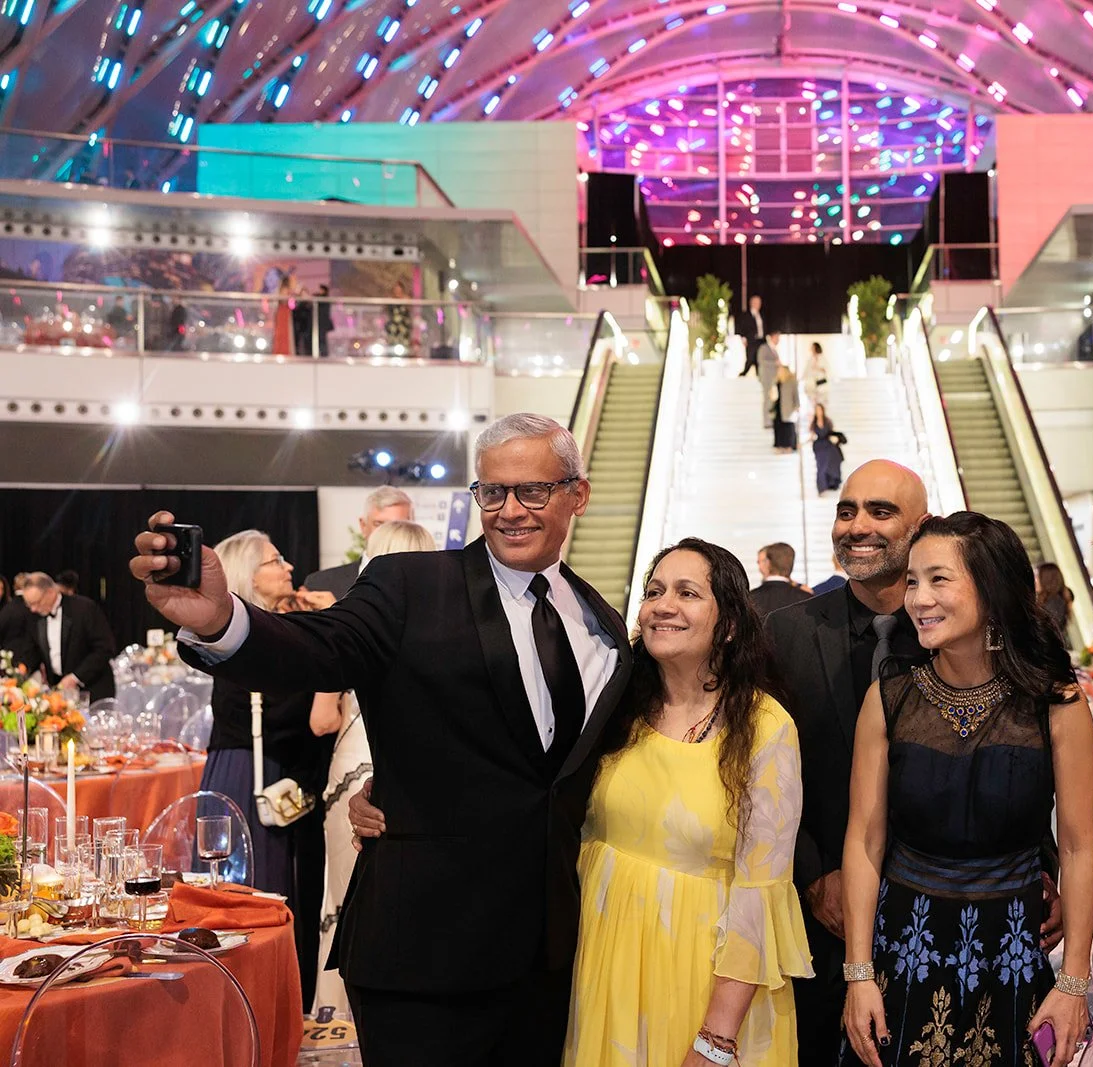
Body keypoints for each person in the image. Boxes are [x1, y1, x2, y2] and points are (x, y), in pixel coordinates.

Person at [131, 412, 634, 1066]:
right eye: (493, 492)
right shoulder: (410, 586)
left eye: (532, 490)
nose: (511, 510)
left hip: (546, 961)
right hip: (421, 955)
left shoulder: (602, 625)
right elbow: (320, 646)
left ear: (578, 494)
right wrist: (224, 622)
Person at [765, 462, 1065, 1066]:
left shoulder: (963, 632)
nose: (857, 526)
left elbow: (1029, 753)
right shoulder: (782, 635)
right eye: (846, 510)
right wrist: (813, 875)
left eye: (881, 511)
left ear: (922, 526)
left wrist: (1042, 864)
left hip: (973, 919)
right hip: (821, 925)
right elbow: (762, 779)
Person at [839, 511, 1093, 1066]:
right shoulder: (888, 700)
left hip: (1012, 951)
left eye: (938, 579)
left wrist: (1074, 981)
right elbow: (864, 842)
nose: (918, 597)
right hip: (902, 950)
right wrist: (858, 974)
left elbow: (1078, 847)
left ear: (992, 587)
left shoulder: (1057, 703)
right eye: (912, 580)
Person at [564, 537, 811, 1064]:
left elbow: (759, 894)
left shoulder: (765, 727)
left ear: (727, 625)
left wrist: (716, 1040)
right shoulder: (613, 707)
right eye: (654, 591)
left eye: (687, 592)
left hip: (702, 982)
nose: (663, 605)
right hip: (603, 965)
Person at [204, 530, 334, 1008]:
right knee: (255, 897)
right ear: (247, 575)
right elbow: (286, 716)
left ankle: (280, 1009)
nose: (289, 568)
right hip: (253, 778)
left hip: (273, 775)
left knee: (282, 897)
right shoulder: (243, 636)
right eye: (276, 561)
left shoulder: (277, 626)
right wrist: (328, 660)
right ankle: (252, 1009)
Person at [312, 519, 436, 1017]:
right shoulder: (444, 633)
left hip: (351, 767)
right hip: (417, 776)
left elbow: (321, 718)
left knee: (347, 900)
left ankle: (339, 1019)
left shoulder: (354, 626)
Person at [12, 572, 116, 702]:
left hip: (94, 689)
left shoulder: (84, 609)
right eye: (29, 604)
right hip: (60, 694)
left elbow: (105, 648)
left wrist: (75, 677)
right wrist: (20, 672)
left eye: (36, 602)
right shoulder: (35, 616)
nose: (33, 609)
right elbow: (33, 652)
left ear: (50, 592)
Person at [303, 487, 415, 600]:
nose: (386, 533)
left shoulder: (426, 582)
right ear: (363, 526)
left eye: (397, 525)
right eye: (379, 524)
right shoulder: (321, 583)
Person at [752, 543, 812, 617]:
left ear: (768, 563)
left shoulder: (750, 598)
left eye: (759, 562)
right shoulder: (806, 598)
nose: (759, 566)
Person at [1034, 561, 1075, 651]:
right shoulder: (1052, 601)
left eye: (1037, 576)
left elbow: (1045, 632)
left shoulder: (1055, 603)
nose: (1035, 580)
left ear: (1046, 579)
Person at [811, 403, 844, 495]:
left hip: (828, 446)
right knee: (820, 466)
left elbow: (832, 432)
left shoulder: (828, 421)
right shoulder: (814, 422)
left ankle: (828, 484)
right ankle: (821, 487)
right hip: (819, 446)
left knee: (828, 466)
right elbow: (812, 435)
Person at [737, 294, 767, 377]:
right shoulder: (746, 315)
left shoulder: (761, 315)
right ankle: (743, 374)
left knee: (760, 359)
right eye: (757, 303)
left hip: (761, 341)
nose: (759, 305)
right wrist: (743, 338)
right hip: (751, 340)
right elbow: (741, 327)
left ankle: (759, 376)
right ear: (752, 303)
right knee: (750, 358)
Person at [772, 364, 799, 452]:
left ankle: (789, 446)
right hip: (778, 408)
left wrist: (796, 406)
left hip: (788, 408)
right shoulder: (777, 381)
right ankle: (780, 446)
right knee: (779, 427)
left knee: (788, 428)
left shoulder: (791, 381)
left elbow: (796, 395)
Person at [758, 332, 781, 430]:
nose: (778, 340)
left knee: (771, 400)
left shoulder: (774, 350)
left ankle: (771, 420)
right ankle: (767, 421)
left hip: (773, 379)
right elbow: (762, 361)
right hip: (767, 378)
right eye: (777, 338)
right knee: (767, 399)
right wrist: (775, 363)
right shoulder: (764, 348)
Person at [385, 280, 414, 354]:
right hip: (393, 328)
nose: (397, 292)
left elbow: (410, 309)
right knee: (392, 344)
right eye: (396, 290)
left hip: (404, 327)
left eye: (399, 290)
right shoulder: (390, 301)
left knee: (404, 345)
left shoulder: (406, 300)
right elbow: (386, 312)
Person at [271, 275, 295, 356]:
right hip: (283, 312)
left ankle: (281, 350)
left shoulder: (280, 290)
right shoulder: (285, 290)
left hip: (283, 312)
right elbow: (285, 301)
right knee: (283, 333)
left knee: (282, 333)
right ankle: (282, 351)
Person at [805, 341, 829, 407]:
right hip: (812, 386)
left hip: (821, 384)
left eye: (812, 347)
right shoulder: (810, 359)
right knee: (813, 404)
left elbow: (826, 369)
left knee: (822, 404)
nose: (811, 349)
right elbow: (806, 372)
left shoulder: (822, 358)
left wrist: (817, 367)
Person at [315, 284, 335, 357]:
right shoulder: (324, 299)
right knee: (321, 339)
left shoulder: (324, 299)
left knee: (322, 339)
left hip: (322, 324)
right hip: (322, 323)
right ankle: (323, 353)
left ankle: (324, 354)